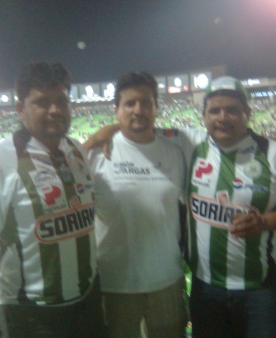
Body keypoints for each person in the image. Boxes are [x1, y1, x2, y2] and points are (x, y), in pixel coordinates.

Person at [85, 76, 276, 338]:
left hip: (260, 288)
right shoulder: (189, 143)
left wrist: (266, 222)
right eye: (214, 110)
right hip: (206, 286)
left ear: (247, 113)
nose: (222, 117)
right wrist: (106, 130)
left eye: (232, 110)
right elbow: (137, 126)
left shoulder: (275, 155)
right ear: (203, 116)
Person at [0, 62, 104, 338]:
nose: (55, 110)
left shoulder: (76, 149)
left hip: (88, 301)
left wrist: (104, 132)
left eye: (61, 100)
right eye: (42, 102)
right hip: (29, 315)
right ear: (20, 109)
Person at [86, 72, 188, 338]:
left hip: (167, 280)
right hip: (115, 284)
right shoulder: (95, 155)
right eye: (130, 104)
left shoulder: (175, 153)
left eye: (146, 103)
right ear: (116, 111)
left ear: (156, 108)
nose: (138, 110)